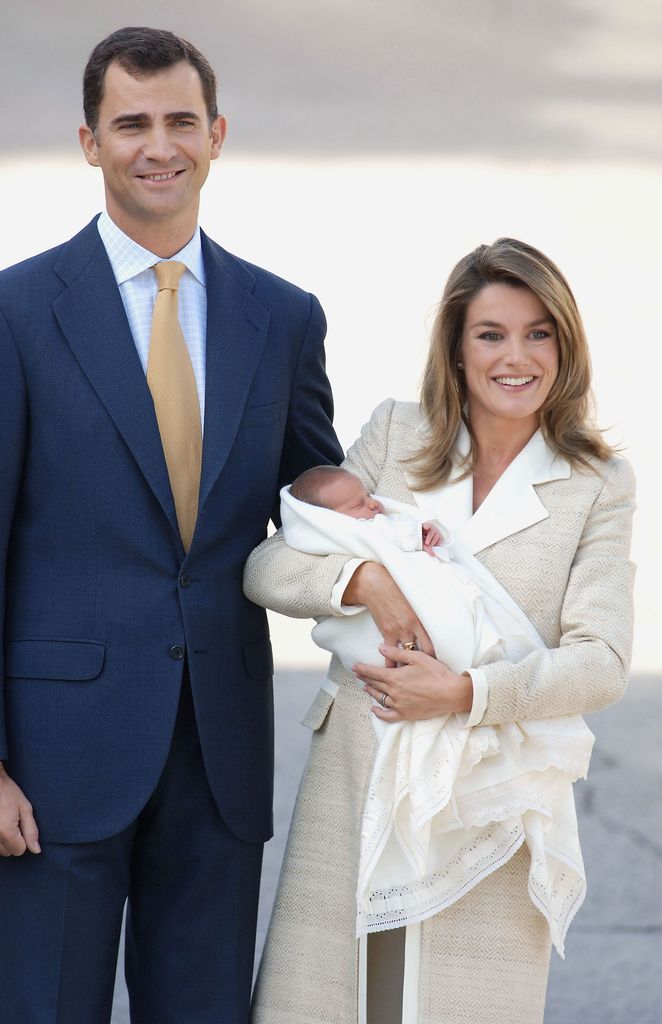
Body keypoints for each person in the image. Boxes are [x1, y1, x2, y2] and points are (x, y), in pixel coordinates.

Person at [0, 25, 342, 1024]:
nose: (160, 145)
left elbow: (314, 491)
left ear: (217, 132)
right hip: (53, 761)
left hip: (217, 755)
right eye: (132, 122)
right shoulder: (17, 314)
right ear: (89, 140)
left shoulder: (280, 318)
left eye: (180, 120)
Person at [244, 237, 635, 1024]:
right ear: (457, 351)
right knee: (332, 1002)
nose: (515, 356)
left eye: (539, 332)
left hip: (487, 795)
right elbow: (268, 567)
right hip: (360, 773)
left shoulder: (597, 481)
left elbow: (602, 663)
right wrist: (368, 581)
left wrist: (463, 692)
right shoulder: (397, 433)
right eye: (490, 334)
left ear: (566, 343)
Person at [290, 465, 443, 552]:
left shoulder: (372, 519)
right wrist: (416, 535)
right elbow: (385, 534)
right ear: (329, 519)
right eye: (358, 505)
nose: (373, 503)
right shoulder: (346, 533)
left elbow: (392, 524)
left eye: (369, 495)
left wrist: (422, 528)